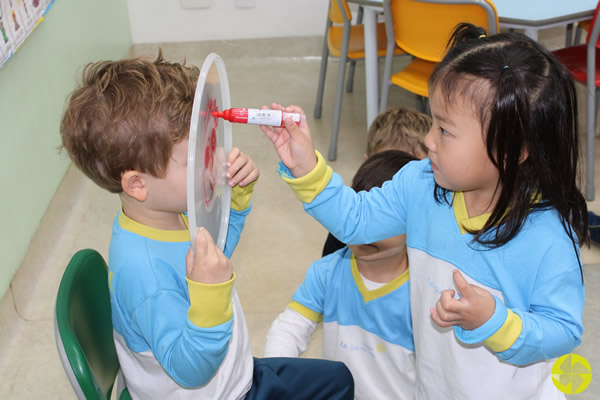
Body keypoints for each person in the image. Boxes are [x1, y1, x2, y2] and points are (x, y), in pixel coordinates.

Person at [260, 23, 588, 399]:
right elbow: (357, 220)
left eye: (445, 130)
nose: (428, 140)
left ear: (512, 150)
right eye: (433, 121)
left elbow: (562, 330)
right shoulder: (421, 184)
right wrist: (306, 168)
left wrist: (495, 322)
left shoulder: (546, 238)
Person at [60, 53, 354, 399]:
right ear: (137, 184)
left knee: (338, 380)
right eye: (192, 157)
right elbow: (191, 368)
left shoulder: (166, 211)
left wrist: (236, 201)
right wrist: (211, 295)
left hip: (233, 371)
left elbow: (215, 253)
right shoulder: (145, 274)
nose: (210, 159)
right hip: (218, 390)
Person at [265, 150, 417, 400]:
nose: (369, 232)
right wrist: (276, 374)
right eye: (361, 214)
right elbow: (290, 328)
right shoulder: (328, 271)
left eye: (383, 220)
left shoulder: (424, 291)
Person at [322, 107, 431, 256]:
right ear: (366, 166)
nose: (399, 188)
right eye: (388, 172)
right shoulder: (349, 219)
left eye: (413, 176)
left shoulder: (436, 226)